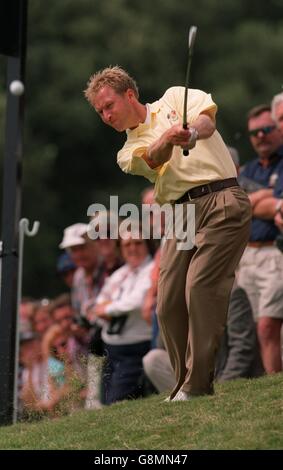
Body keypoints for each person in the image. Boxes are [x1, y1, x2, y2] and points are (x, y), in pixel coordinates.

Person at [84, 66, 251, 401]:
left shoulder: (175, 96)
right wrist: (168, 139)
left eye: (109, 106)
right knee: (169, 302)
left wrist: (191, 134)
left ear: (129, 95)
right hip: (181, 214)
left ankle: (196, 386)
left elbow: (206, 120)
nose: (105, 116)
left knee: (200, 287)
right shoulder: (126, 152)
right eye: (100, 111)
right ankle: (182, 382)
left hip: (222, 198)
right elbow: (154, 157)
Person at [237, 104, 283, 373]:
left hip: (274, 252)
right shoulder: (248, 170)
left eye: (266, 129)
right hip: (248, 255)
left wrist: (251, 203)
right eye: (254, 133)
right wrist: (267, 197)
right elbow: (236, 207)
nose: (260, 136)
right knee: (260, 327)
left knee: (268, 325)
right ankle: (272, 383)